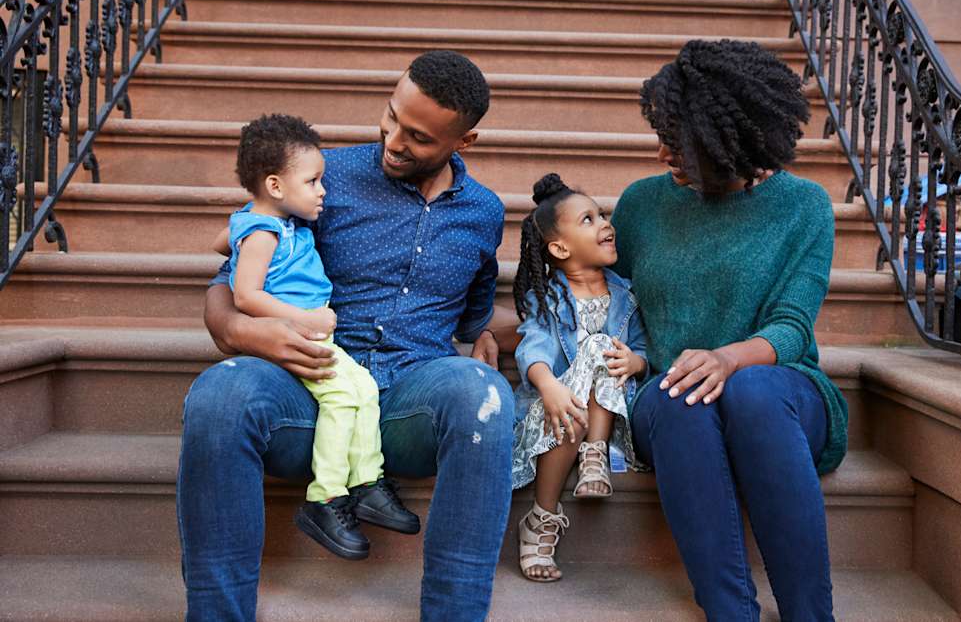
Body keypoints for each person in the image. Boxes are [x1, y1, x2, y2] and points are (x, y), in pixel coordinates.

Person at [177, 51, 517, 621]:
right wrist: (240, 331)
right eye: (391, 117)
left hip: (413, 394)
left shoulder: (482, 213)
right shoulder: (323, 178)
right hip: (310, 383)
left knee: (482, 395)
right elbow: (228, 281)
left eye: (419, 137)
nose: (394, 140)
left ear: (466, 141)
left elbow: (475, 316)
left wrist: (508, 336)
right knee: (219, 397)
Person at [609, 39, 849, 621]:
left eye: (682, 139)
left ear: (734, 141)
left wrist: (729, 358)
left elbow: (791, 328)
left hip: (780, 389)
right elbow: (599, 299)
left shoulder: (803, 206)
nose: (663, 149)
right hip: (673, 400)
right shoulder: (641, 205)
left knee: (750, 392)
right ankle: (730, 611)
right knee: (680, 394)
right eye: (662, 131)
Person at [215, 113, 419, 560]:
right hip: (295, 335)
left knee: (364, 387)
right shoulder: (265, 233)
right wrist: (304, 318)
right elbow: (246, 297)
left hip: (313, 332)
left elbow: (226, 241)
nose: (322, 191)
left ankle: (366, 481)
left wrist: (235, 232)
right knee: (341, 398)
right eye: (312, 182)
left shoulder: (275, 223)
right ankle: (325, 496)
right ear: (274, 186)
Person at [509, 173, 649, 582]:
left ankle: (596, 452)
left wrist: (637, 364)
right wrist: (548, 385)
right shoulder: (548, 298)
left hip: (613, 405)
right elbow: (531, 347)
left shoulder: (626, 293)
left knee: (605, 349)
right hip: (560, 406)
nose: (605, 223)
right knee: (575, 391)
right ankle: (541, 518)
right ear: (559, 247)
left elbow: (640, 345)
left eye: (602, 215)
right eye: (588, 219)